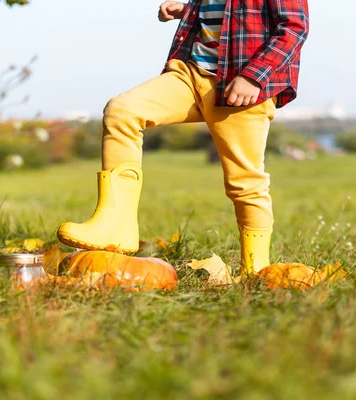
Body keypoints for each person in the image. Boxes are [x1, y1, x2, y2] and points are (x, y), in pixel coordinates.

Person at [58, 0, 309, 275]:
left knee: (245, 183)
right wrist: (188, 9)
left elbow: (294, 28)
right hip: (190, 74)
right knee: (122, 111)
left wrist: (254, 77)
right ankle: (117, 226)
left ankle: (256, 271)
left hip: (240, 84)